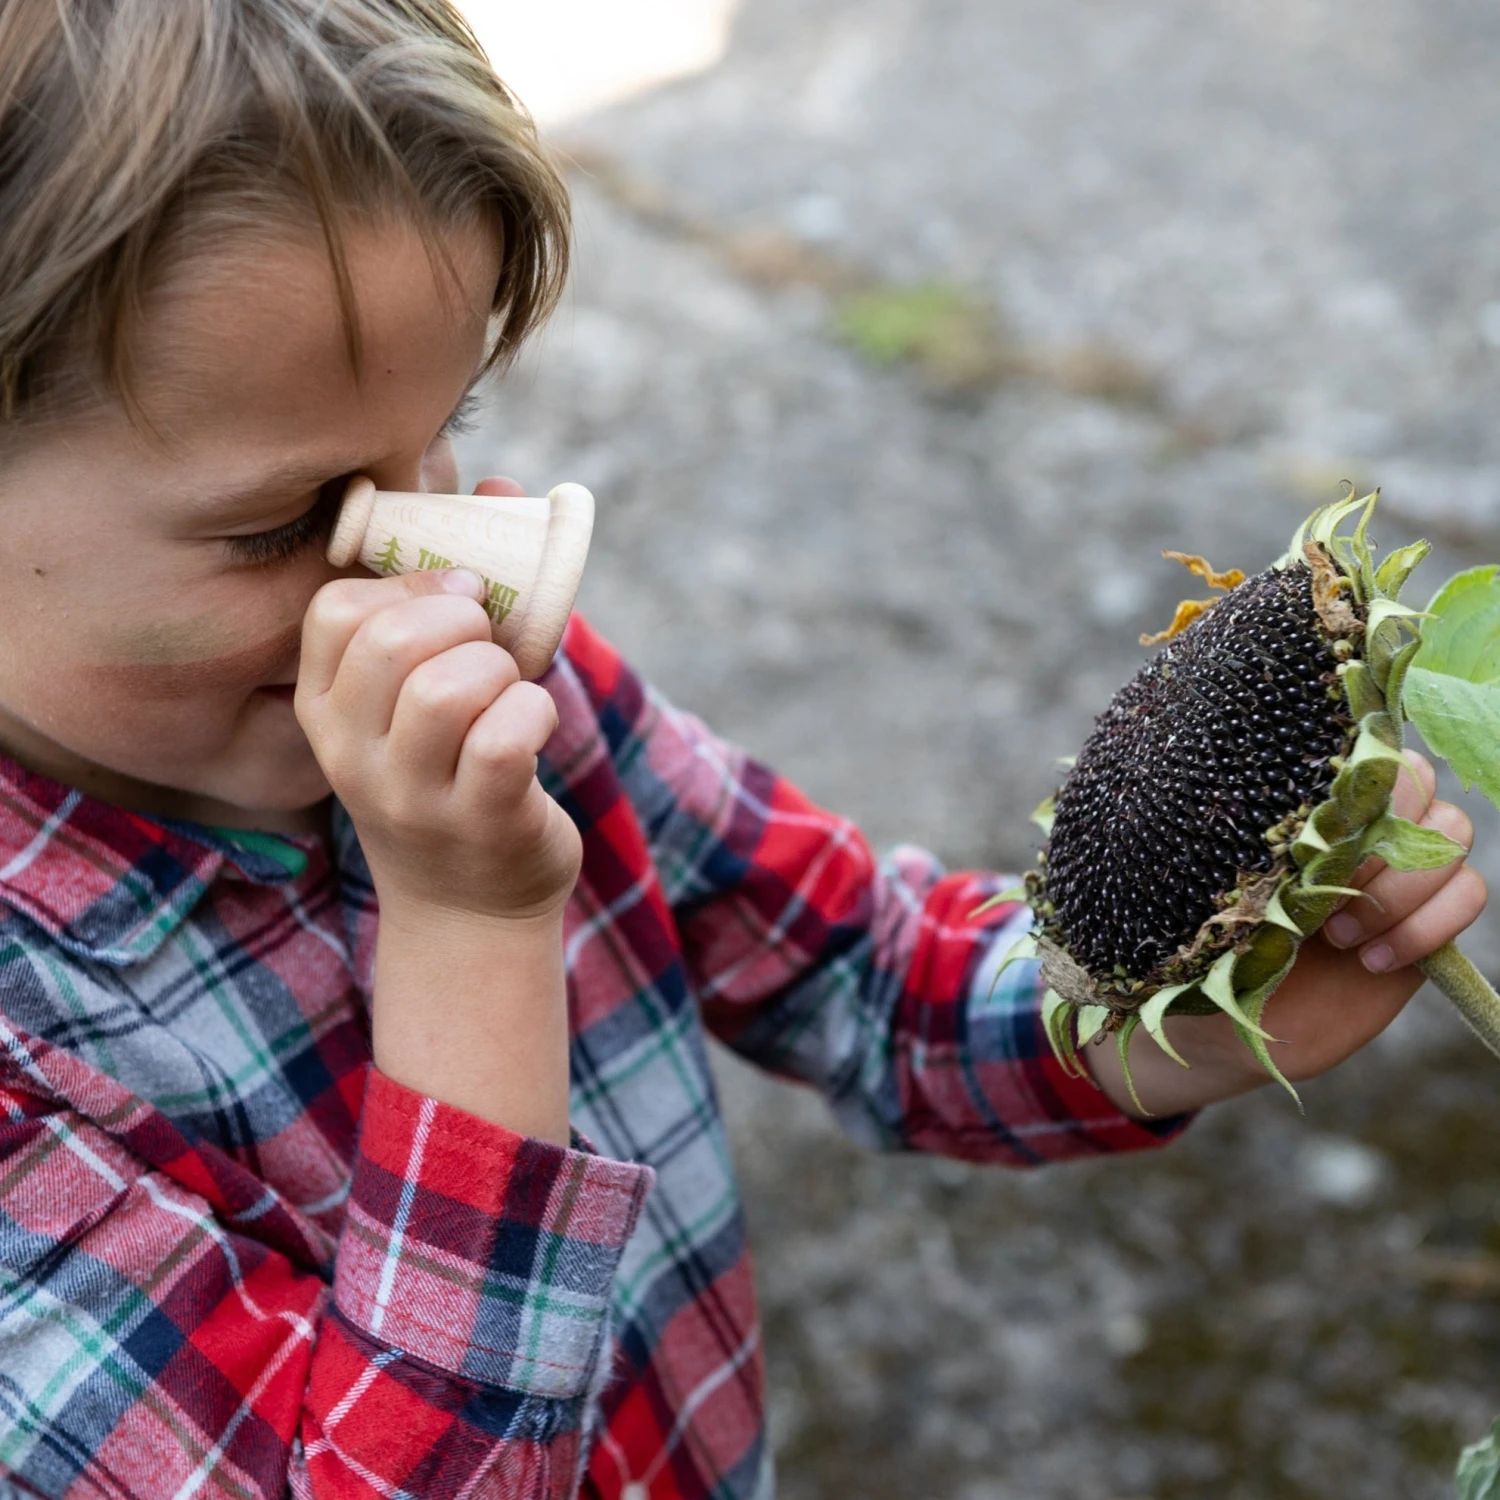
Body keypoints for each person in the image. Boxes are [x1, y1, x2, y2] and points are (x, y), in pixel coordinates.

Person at [0, 2, 1485, 1497]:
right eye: (283, 522)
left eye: (449, 424)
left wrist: (1164, 1021)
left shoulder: (507, 697)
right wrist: (467, 929)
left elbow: (864, 973)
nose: (437, 563)